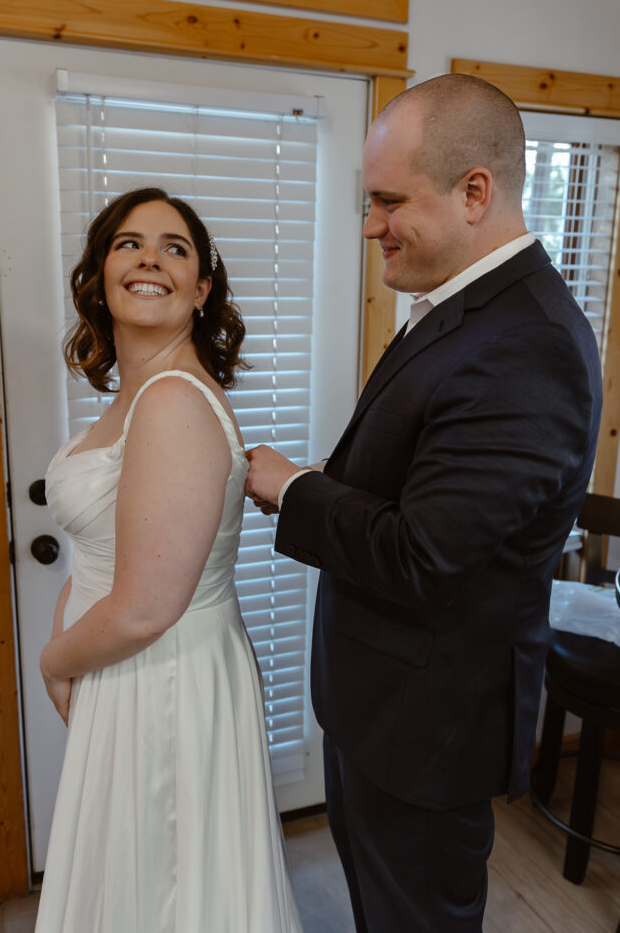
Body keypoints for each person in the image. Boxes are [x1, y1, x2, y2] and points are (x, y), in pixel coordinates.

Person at [245, 74, 602, 932]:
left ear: (473, 192)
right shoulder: (459, 308)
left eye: (386, 201)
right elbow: (430, 477)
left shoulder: (528, 346)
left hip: (428, 726)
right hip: (381, 705)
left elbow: (423, 554)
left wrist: (292, 487)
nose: (370, 225)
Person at [36, 187, 303, 932]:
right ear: (99, 271)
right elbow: (107, 550)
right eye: (128, 242)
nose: (150, 257)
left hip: (159, 673)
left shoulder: (174, 402)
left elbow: (148, 605)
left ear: (201, 288)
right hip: (127, 668)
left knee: (167, 890)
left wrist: (55, 660)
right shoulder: (138, 393)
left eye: (174, 247)